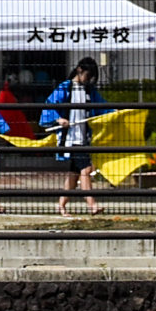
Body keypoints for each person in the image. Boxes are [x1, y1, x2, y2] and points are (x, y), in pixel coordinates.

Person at [43, 56, 105, 217]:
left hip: (83, 138)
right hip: (71, 139)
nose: (88, 79)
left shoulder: (89, 91)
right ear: (79, 70)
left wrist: (115, 114)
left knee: (74, 174)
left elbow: (102, 108)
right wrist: (59, 119)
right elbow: (49, 106)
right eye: (87, 75)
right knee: (85, 169)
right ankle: (92, 205)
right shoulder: (66, 87)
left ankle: (61, 205)